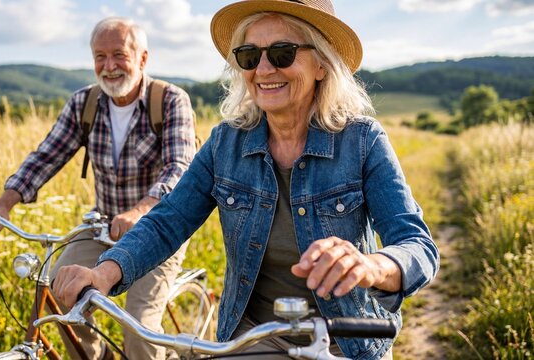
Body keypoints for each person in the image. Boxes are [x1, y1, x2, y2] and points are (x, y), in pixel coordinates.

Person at [53, 1, 440, 359]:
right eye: (250, 55)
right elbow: (169, 220)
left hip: (345, 338)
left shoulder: (362, 141)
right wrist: (103, 272)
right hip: (255, 335)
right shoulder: (226, 143)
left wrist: (371, 267)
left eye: (283, 53)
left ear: (322, 63)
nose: (264, 69)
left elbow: (417, 246)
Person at [0, 17, 197, 360]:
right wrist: (3, 204)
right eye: (99, 57)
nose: (109, 67)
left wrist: (140, 212)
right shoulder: (85, 103)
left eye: (119, 55)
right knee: (57, 292)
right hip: (103, 226)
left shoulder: (170, 100)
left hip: (158, 228)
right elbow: (46, 156)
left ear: (142, 59)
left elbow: (179, 168)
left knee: (138, 325)